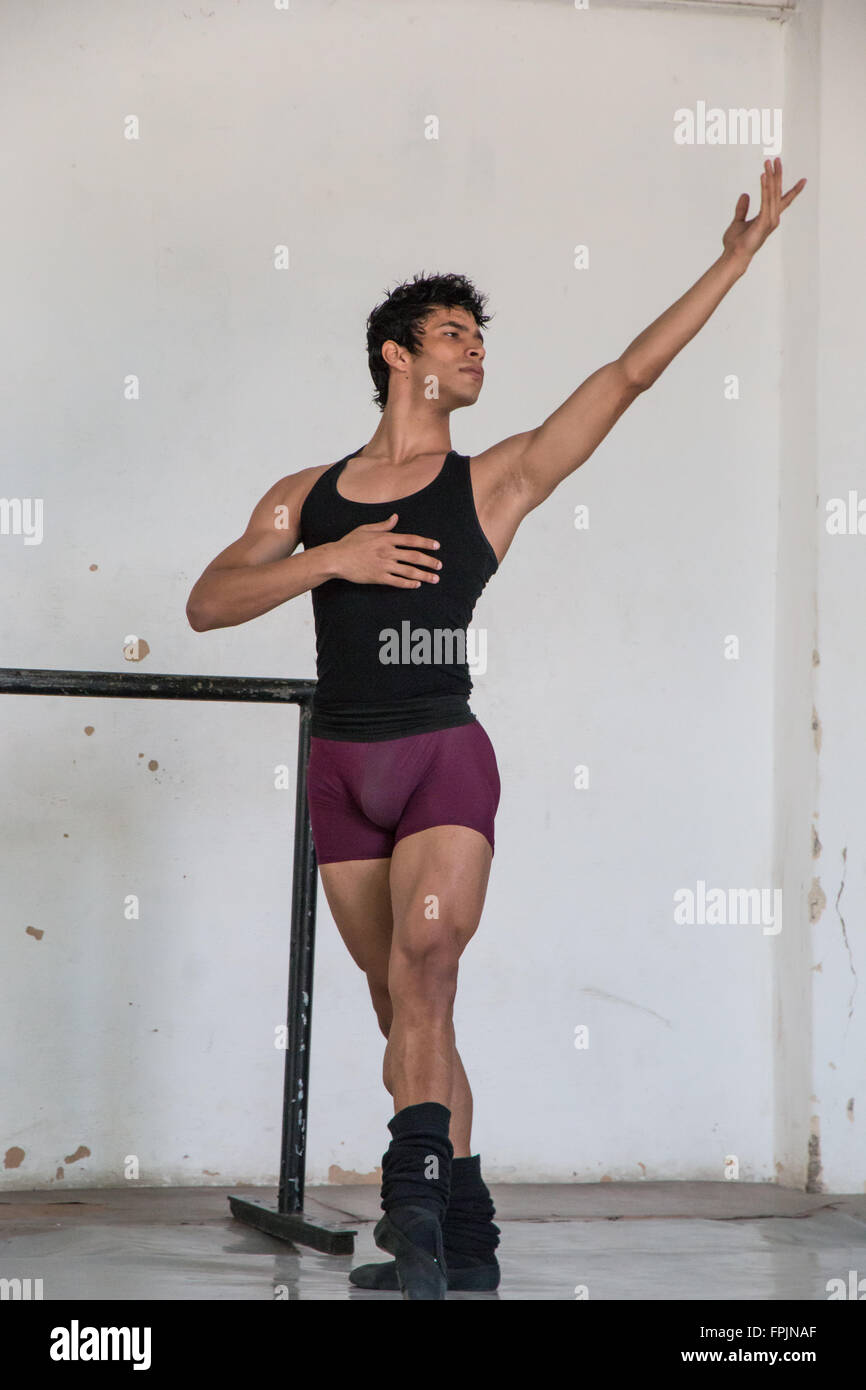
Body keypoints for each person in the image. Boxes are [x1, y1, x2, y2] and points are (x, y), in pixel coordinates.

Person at [186, 158, 805, 1299]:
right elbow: (207, 600)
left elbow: (623, 377)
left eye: (480, 337)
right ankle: (467, 1240)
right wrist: (331, 557)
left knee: (425, 966)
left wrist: (732, 259)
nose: (475, 351)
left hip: (439, 758)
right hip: (341, 767)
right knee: (401, 1007)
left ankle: (410, 1209)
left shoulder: (494, 480)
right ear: (395, 354)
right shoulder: (305, 495)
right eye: (454, 333)